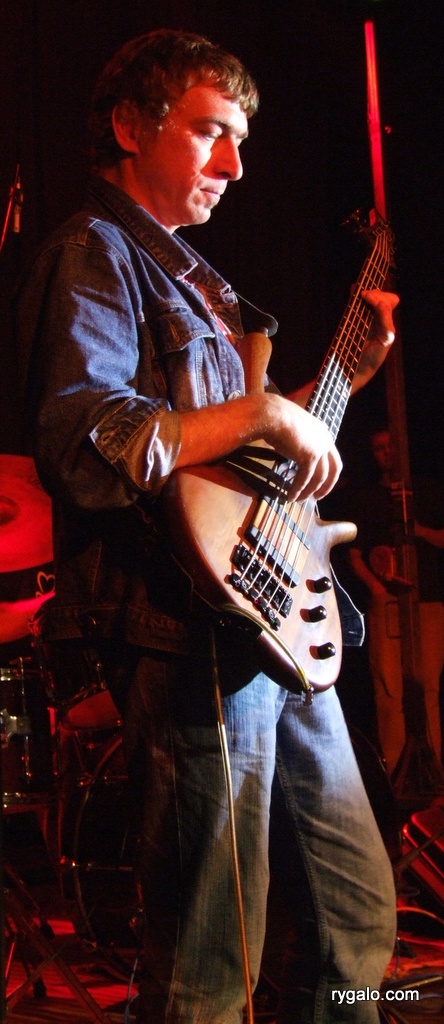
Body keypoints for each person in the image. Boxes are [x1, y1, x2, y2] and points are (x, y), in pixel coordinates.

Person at [17, 30, 400, 1024]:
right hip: (189, 631)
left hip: (274, 621)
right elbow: (87, 443)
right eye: (209, 132)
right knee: (209, 960)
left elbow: (231, 464)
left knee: (353, 924)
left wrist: (333, 385)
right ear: (129, 126)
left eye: (241, 141)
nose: (233, 165)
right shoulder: (93, 254)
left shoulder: (197, 281)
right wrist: (266, 413)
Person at [347, 428, 444, 777]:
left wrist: (419, 530)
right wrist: (376, 589)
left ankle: (432, 771)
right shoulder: (367, 499)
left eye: (391, 446)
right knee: (389, 689)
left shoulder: (429, 491)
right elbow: (354, 554)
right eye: (379, 447)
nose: (386, 452)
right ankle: (395, 776)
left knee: (428, 687)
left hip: (427, 602)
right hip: (387, 604)